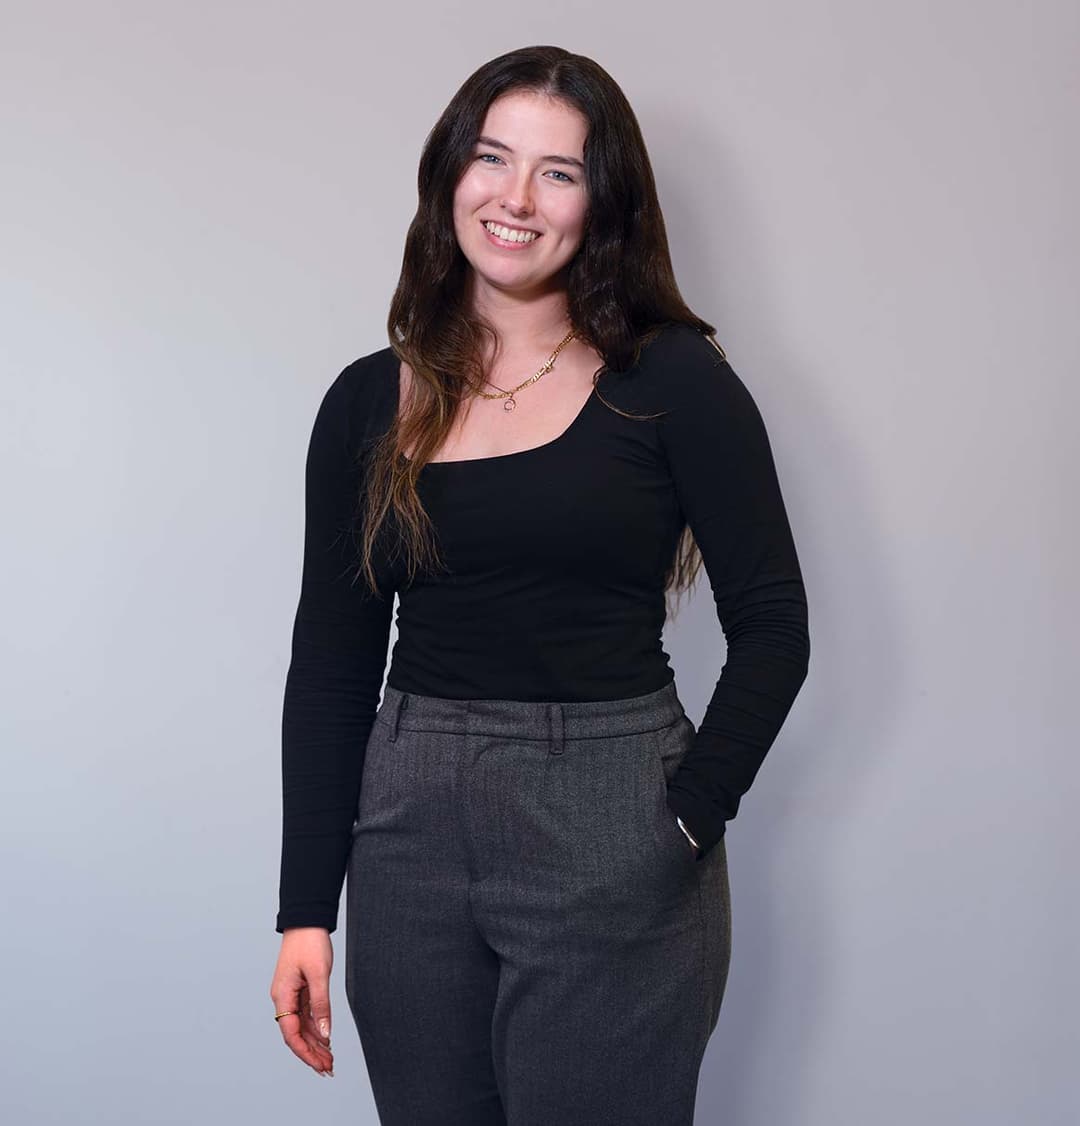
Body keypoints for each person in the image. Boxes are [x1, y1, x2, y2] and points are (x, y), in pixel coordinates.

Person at [268, 44, 810, 1126]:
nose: (515, 198)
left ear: (601, 202)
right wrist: (305, 909)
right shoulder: (366, 401)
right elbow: (332, 665)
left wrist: (686, 821)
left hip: (611, 815)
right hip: (408, 834)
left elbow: (774, 625)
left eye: (557, 172)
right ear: (449, 175)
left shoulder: (672, 379)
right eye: (492, 158)